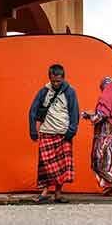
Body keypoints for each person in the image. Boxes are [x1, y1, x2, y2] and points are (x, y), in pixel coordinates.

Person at [28, 64, 80, 204]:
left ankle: (58, 193)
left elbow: (74, 112)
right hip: (46, 132)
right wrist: (33, 130)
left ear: (63, 78)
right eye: (53, 81)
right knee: (46, 166)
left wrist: (71, 131)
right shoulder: (43, 92)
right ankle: (45, 192)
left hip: (63, 134)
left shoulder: (70, 92)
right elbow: (32, 111)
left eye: (58, 81)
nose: (56, 83)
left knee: (61, 166)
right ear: (49, 78)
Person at [82, 76, 112, 195]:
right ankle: (111, 186)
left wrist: (88, 115)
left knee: (99, 159)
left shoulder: (105, 97)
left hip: (106, 136)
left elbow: (100, 116)